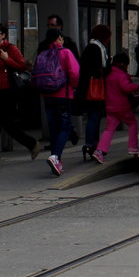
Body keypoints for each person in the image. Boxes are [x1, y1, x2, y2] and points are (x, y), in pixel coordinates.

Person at [0, 23, 42, 166]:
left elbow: (23, 66)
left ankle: (32, 144)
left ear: (3, 36)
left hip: (7, 91)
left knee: (6, 124)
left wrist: (7, 59)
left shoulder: (10, 48)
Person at [38, 28, 80, 177]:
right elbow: (75, 73)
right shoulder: (65, 53)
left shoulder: (42, 55)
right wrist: (73, 86)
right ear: (59, 39)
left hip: (47, 96)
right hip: (63, 95)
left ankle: (56, 160)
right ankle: (55, 157)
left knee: (54, 129)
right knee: (65, 127)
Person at [92, 52, 139, 162]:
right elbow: (126, 87)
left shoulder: (109, 73)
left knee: (109, 129)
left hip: (110, 107)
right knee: (132, 123)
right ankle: (133, 147)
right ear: (123, 64)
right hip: (122, 107)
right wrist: (137, 86)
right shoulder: (121, 75)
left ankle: (100, 151)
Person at [75, 23, 111, 161]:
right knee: (94, 117)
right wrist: (107, 69)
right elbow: (98, 70)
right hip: (94, 89)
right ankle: (90, 144)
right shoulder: (96, 48)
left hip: (87, 88)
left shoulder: (91, 47)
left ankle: (92, 145)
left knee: (93, 117)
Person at [45, 13, 81, 149]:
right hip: (61, 91)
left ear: (60, 27)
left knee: (55, 122)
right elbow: (75, 71)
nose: (50, 28)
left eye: (53, 25)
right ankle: (56, 154)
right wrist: (73, 85)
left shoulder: (46, 48)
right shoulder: (64, 50)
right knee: (62, 123)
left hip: (50, 92)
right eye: (48, 25)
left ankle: (55, 150)